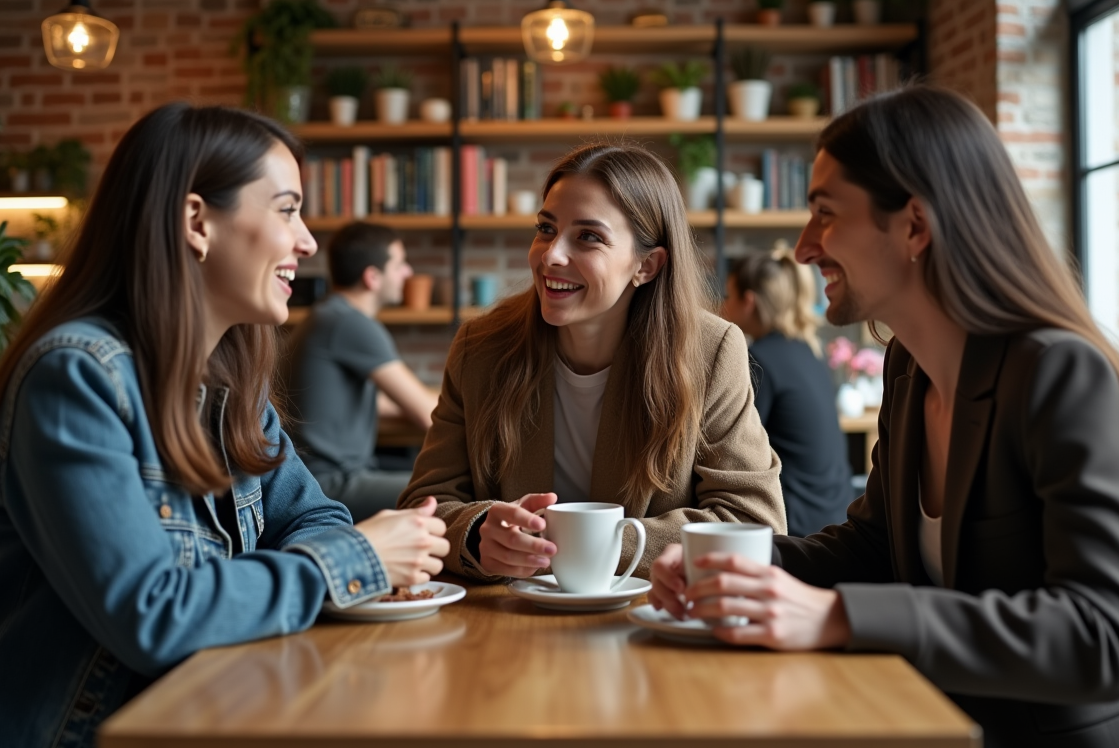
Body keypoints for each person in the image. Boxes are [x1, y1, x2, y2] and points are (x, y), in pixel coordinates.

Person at [649, 85, 1119, 748]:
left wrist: (839, 617)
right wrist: (721, 561)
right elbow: (875, 549)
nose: (803, 249)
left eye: (825, 216)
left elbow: (1103, 637)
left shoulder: (1060, 374)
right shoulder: (909, 370)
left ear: (914, 226)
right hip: (932, 724)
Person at [0, 104, 449, 748]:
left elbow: (318, 517)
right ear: (197, 222)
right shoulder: (76, 377)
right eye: (286, 210)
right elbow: (152, 614)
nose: (307, 242)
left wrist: (339, 553)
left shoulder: (232, 389)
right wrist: (357, 562)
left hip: (203, 721)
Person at [397, 142, 786, 582]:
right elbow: (424, 503)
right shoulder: (480, 348)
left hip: (650, 616)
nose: (551, 255)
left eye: (588, 236)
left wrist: (589, 544)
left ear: (648, 265)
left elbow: (755, 523)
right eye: (546, 228)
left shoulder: (710, 352)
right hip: (508, 620)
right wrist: (478, 534)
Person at [284, 222, 439, 521]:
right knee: (447, 492)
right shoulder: (350, 323)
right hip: (328, 483)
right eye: (400, 264)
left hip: (318, 476)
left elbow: (372, 404)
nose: (408, 273)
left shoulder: (327, 315)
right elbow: (427, 413)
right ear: (372, 277)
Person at [722, 243, 855, 536]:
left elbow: (734, 446)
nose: (723, 306)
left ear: (749, 301)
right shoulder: (811, 351)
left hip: (796, 526)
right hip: (836, 516)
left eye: (728, 296)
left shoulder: (760, 360)